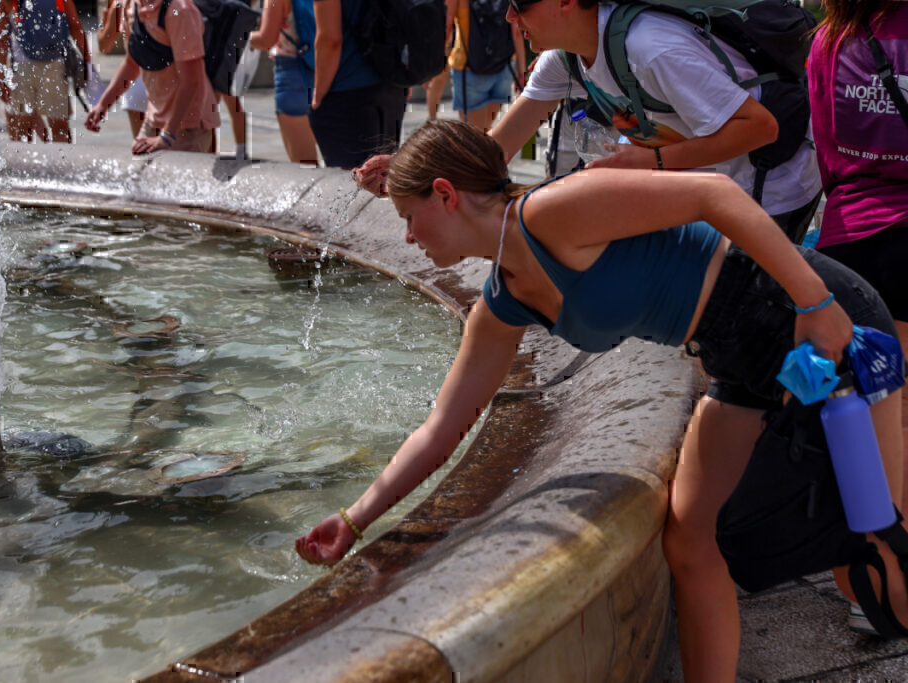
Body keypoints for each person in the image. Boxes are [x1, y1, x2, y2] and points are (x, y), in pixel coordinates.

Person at [295, 119, 907, 681]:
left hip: (821, 323)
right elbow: (443, 427)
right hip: (737, 360)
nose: (406, 235)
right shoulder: (502, 305)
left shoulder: (551, 212)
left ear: (446, 194)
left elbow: (716, 196)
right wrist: (355, 519)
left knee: (880, 536)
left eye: (410, 214)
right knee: (690, 543)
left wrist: (818, 308)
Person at [356, 0, 821, 242]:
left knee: (751, 337)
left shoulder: (651, 47)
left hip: (772, 185)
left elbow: (760, 127)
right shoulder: (563, 59)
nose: (509, 15)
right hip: (706, 189)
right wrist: (410, 171)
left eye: (522, 3)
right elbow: (495, 149)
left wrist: (648, 162)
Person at [807, 0, 908, 632]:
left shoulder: (827, 39)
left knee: (875, 416)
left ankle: (872, 590)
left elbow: (824, 148)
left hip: (853, 238)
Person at [85, 0, 221, 155]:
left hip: (188, 124)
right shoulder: (130, 6)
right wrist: (103, 104)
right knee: (137, 174)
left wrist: (168, 136)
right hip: (154, 119)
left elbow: (191, 80)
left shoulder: (179, 11)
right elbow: (132, 63)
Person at [295, 0, 406, 168]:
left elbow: (330, 39)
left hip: (346, 90)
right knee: (383, 178)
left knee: (351, 184)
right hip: (391, 84)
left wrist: (318, 96)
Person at [0, 0, 91, 144]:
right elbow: (75, 26)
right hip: (55, 66)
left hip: (21, 72)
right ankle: (62, 164)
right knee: (60, 128)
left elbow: (0, 36)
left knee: (21, 129)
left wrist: (0, 76)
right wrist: (87, 61)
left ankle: (24, 165)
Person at [248, 0, 319, 165]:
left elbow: (266, 39)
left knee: (304, 165)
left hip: (292, 74)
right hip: (325, 71)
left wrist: (239, 36)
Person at [447, 0, 526, 131]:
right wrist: (521, 72)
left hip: (468, 67)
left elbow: (447, 26)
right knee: (487, 131)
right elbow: (516, 32)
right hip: (504, 66)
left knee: (474, 137)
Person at [97, 0, 147, 139]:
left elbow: (103, 45)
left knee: (143, 151)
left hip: (136, 85)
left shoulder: (121, 3)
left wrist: (104, 18)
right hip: (168, 84)